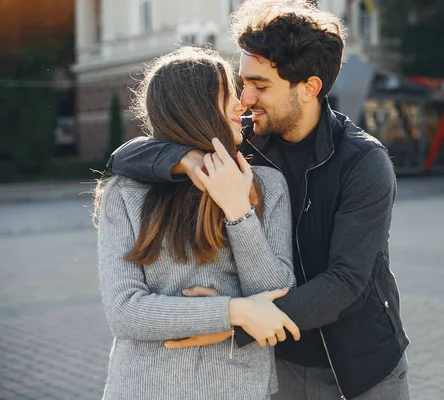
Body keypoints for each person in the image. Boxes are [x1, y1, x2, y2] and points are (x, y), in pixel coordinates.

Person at [107, 1, 410, 398]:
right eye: (242, 81)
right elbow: (124, 157)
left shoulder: (363, 162)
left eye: (260, 86)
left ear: (309, 88)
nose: (245, 98)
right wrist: (189, 158)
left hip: (358, 365)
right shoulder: (244, 141)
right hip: (279, 362)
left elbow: (344, 282)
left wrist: (228, 320)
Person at [94, 46, 299, 400]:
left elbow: (279, 291)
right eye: (227, 96)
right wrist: (234, 310)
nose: (241, 105)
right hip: (144, 387)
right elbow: (125, 311)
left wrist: (238, 210)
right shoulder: (127, 193)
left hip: (239, 387)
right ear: (194, 109)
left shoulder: (266, 185)